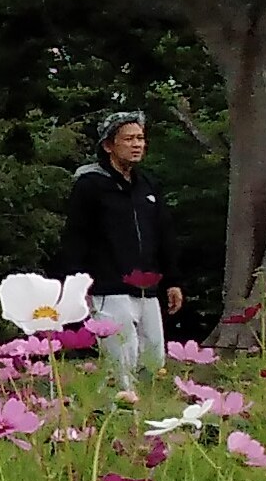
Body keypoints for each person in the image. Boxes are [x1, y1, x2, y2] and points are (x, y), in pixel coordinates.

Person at [62, 112, 181, 395]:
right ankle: (116, 413)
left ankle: (147, 410)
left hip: (147, 288)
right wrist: (75, 284)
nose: (137, 144)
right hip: (108, 286)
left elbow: (163, 234)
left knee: (154, 356)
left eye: (140, 138)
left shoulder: (148, 186)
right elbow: (75, 236)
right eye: (128, 139)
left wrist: (173, 280)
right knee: (120, 357)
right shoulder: (91, 185)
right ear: (108, 145)